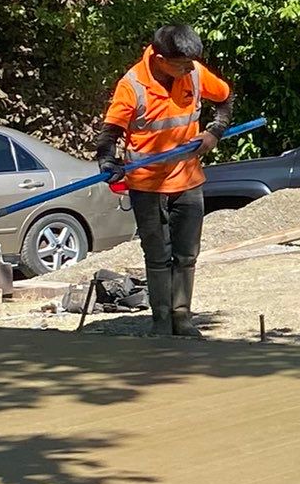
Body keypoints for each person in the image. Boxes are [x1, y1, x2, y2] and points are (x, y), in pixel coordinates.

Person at [99, 25, 233, 339]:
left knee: (187, 255)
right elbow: (111, 132)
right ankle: (160, 322)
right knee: (158, 256)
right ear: (160, 59)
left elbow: (225, 100)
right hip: (146, 185)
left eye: (191, 63)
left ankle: (182, 319)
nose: (189, 69)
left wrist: (214, 132)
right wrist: (110, 163)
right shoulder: (132, 85)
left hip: (188, 180)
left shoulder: (195, 73)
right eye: (182, 64)